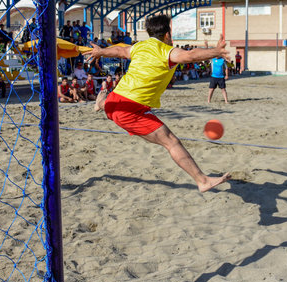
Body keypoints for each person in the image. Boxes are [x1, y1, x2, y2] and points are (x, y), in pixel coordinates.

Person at [84, 14, 231, 192]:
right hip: (130, 110)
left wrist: (101, 51)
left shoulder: (140, 46)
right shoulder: (166, 51)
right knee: (171, 142)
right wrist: (215, 52)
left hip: (116, 101)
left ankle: (101, 102)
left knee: (113, 107)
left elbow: (120, 51)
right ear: (167, 35)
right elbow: (190, 55)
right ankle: (202, 181)